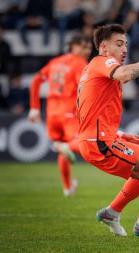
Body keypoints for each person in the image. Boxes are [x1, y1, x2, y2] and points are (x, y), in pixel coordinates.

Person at [77, 24, 139, 239]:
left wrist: (120, 135)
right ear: (103, 47)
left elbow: (94, 112)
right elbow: (126, 75)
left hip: (97, 139)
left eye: (126, 44)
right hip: (98, 142)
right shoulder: (103, 62)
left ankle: (112, 212)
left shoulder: (93, 70)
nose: (124, 49)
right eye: (119, 44)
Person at [28, 35, 92, 197]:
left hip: (52, 113)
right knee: (85, 143)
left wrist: (35, 108)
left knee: (63, 148)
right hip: (69, 113)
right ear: (73, 47)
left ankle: (67, 187)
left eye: (88, 48)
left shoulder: (55, 62)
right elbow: (83, 88)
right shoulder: (80, 63)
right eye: (83, 47)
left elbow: (36, 81)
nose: (87, 51)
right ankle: (66, 153)